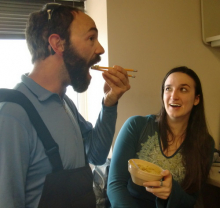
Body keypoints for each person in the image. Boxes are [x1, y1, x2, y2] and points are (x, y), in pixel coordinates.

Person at [0, 3, 130, 208]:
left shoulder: (65, 103)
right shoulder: (12, 114)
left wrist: (110, 102)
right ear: (57, 43)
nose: (100, 49)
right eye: (91, 38)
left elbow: (96, 154)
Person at [107, 66, 214, 208]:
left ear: (196, 99)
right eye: (168, 88)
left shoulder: (205, 143)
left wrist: (172, 191)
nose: (173, 96)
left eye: (183, 89)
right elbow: (115, 185)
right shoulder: (136, 126)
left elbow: (191, 199)